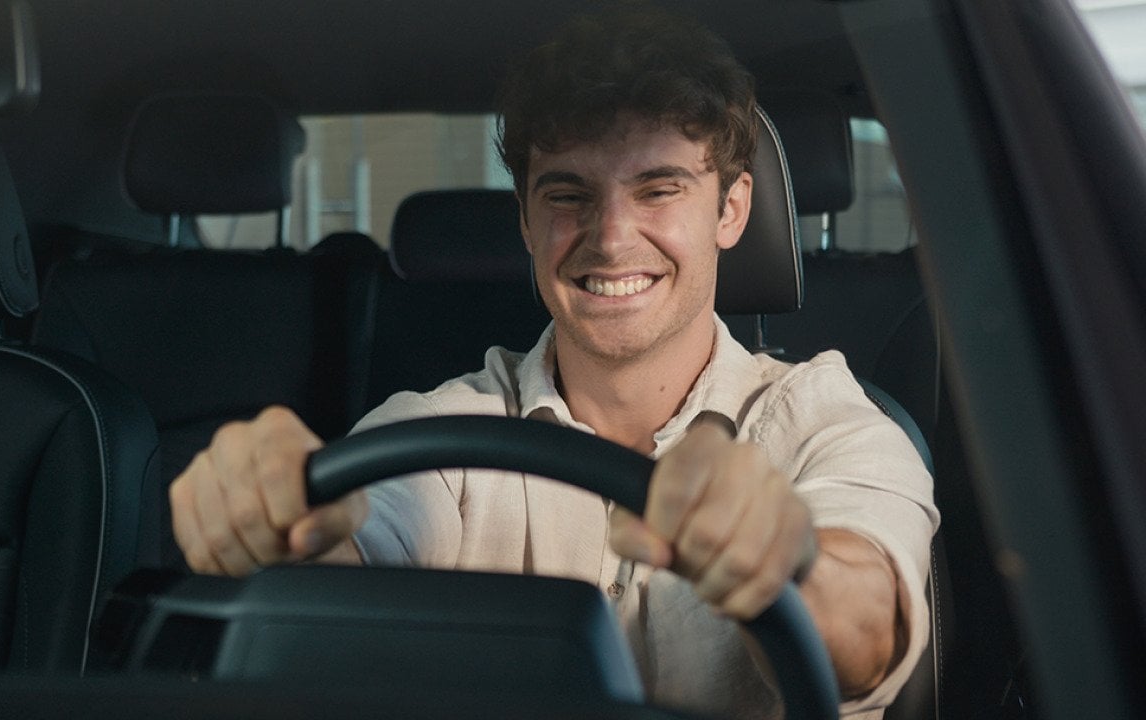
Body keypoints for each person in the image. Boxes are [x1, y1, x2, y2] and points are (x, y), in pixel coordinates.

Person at [169, 6, 939, 719]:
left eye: (658, 189)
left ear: (731, 209)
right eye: (568, 196)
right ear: (527, 223)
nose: (611, 238)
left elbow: (867, 630)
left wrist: (788, 563)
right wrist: (279, 525)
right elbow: (356, 549)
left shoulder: (831, 422)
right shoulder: (440, 431)